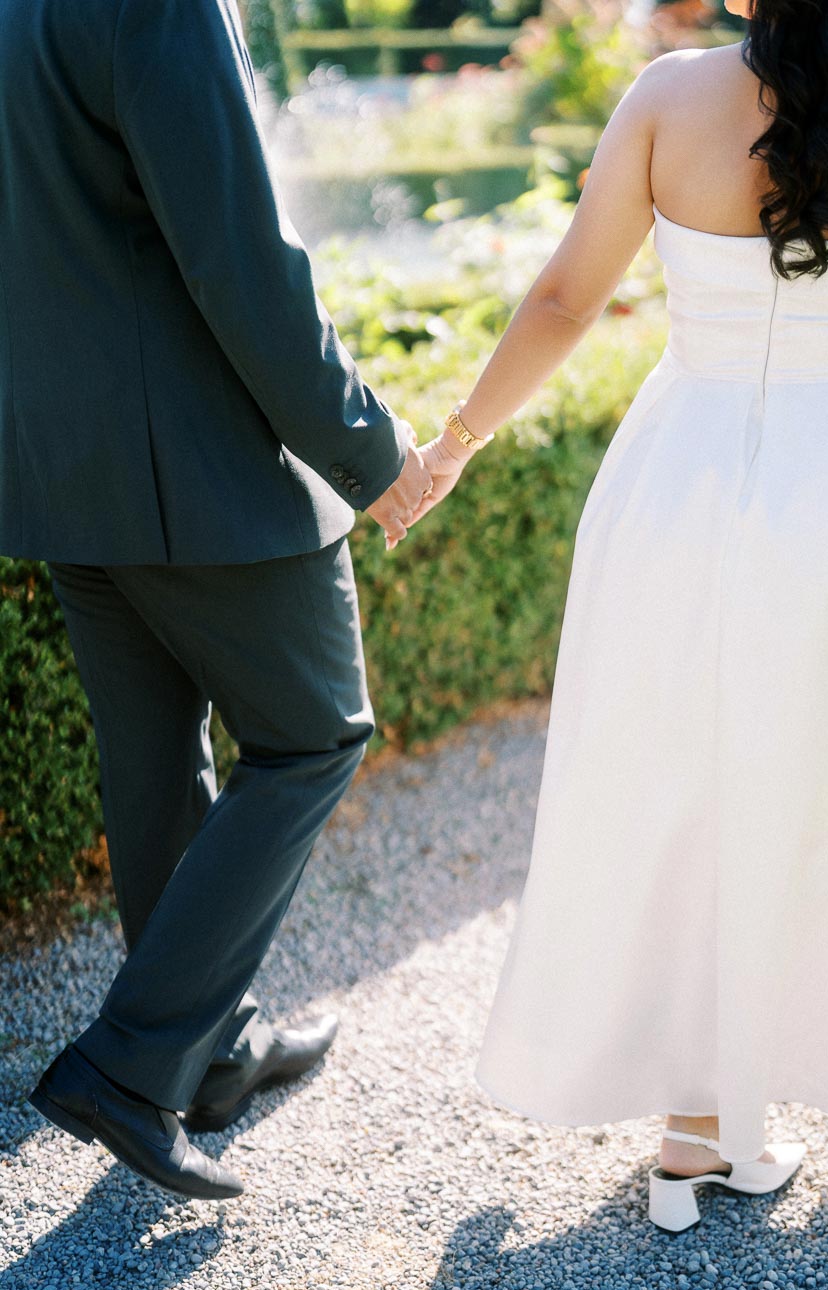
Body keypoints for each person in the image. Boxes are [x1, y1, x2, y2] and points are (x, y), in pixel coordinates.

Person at [407, 0, 828, 1230]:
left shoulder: (671, 99)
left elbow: (570, 298)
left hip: (682, 490)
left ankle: (695, 1126)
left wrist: (456, 444)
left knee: (685, 781)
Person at [5, 0, 432, 1200]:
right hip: (200, 464)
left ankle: (215, 1050)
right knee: (314, 735)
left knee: (152, 753)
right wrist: (369, 447)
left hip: (58, 462)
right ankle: (131, 1069)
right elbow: (241, 254)